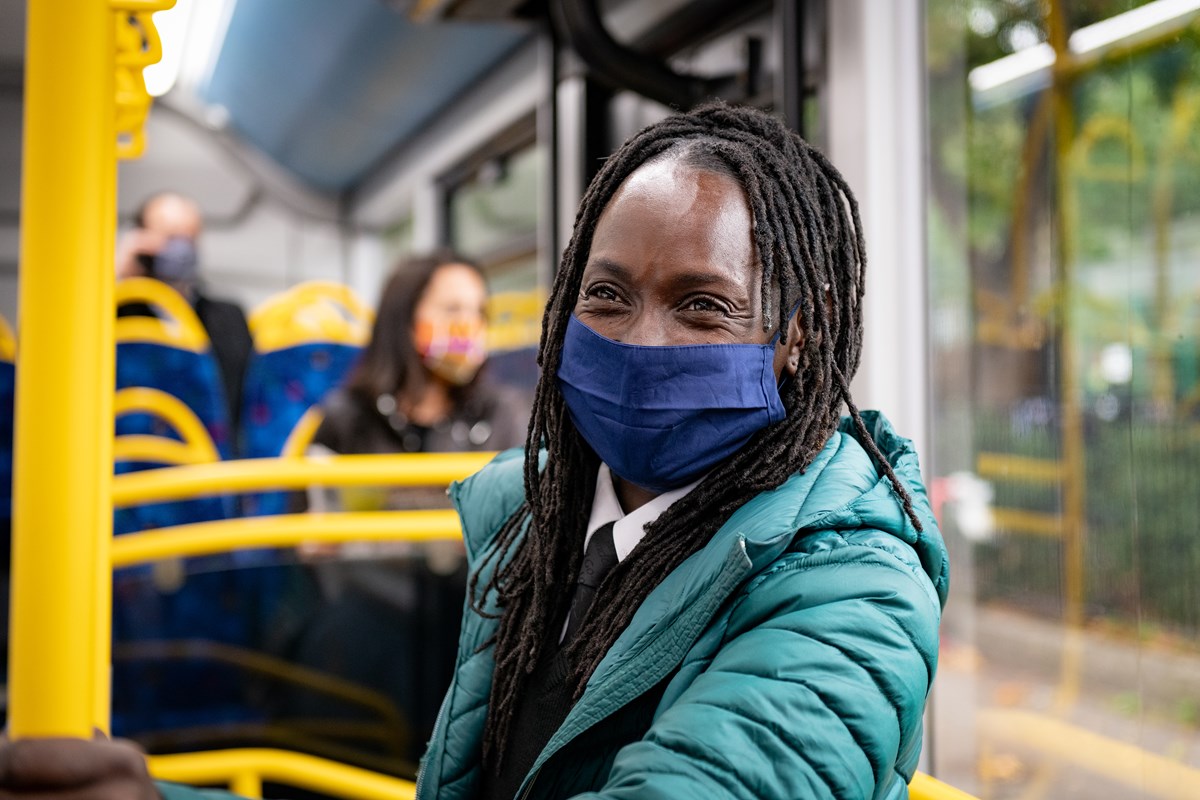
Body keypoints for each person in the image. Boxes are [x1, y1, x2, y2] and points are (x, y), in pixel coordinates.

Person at [0, 103, 947, 800]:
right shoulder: (533, 522)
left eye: (702, 306)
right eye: (607, 297)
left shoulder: (854, 594)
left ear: (797, 338)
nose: (637, 343)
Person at [280, 253, 529, 767]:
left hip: (476, 618)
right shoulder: (343, 423)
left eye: (478, 311)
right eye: (452, 307)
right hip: (368, 618)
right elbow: (309, 542)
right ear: (405, 316)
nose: (469, 325)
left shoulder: (503, 415)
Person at [116, 192, 253, 451]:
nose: (181, 248)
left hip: (210, 468)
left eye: (189, 237)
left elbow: (241, 406)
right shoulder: (116, 315)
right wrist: (118, 274)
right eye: (169, 237)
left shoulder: (229, 319)